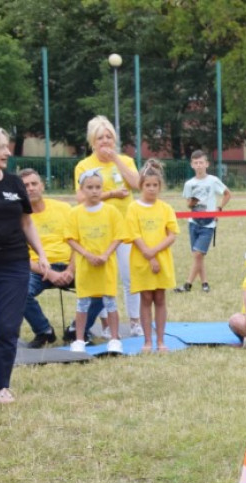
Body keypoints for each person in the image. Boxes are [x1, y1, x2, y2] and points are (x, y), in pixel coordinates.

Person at [0, 125, 49, 403]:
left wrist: (41, 254)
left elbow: (26, 223)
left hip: (12, 263)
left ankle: (1, 384)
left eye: (8, 146)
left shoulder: (14, 184)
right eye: (1, 147)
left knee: (7, 326)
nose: (8, 152)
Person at [74, 116, 142, 335]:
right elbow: (80, 198)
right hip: (96, 230)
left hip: (125, 227)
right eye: (100, 137)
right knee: (100, 277)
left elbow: (136, 184)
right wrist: (111, 193)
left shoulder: (125, 160)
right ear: (92, 142)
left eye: (109, 137)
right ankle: (104, 325)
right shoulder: (84, 165)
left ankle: (135, 322)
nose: (105, 141)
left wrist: (117, 161)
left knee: (129, 276)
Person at [19, 168, 98, 348]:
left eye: (34, 183)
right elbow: (20, 256)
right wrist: (50, 273)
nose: (30, 188)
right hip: (40, 270)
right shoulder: (18, 217)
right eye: (25, 186)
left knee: (101, 289)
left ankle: (77, 329)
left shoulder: (63, 208)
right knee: (18, 291)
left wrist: (71, 269)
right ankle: (44, 331)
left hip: (72, 264)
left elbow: (80, 241)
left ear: (42, 186)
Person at [66, 169, 125, 354]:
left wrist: (106, 254)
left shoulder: (111, 211)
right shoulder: (75, 213)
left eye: (98, 187)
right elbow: (70, 238)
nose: (94, 191)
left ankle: (115, 338)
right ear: (82, 189)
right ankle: (79, 339)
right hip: (85, 267)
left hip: (107, 266)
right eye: (89, 187)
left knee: (110, 302)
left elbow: (119, 236)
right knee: (83, 303)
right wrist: (87, 255)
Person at [126, 159, 178, 352]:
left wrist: (155, 252)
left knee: (160, 298)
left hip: (162, 261)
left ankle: (161, 340)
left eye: (155, 185)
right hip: (141, 260)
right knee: (146, 298)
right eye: (148, 185)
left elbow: (172, 234)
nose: (151, 189)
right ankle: (147, 341)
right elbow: (134, 234)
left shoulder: (165, 208)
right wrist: (148, 255)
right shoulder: (133, 208)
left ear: (160, 186)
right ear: (141, 185)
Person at [176, 149, 231, 294]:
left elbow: (227, 194)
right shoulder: (189, 184)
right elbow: (188, 203)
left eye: (201, 162)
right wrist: (194, 202)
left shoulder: (213, 180)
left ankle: (187, 285)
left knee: (198, 254)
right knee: (198, 256)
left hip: (209, 223)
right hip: (194, 222)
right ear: (192, 165)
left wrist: (219, 208)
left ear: (206, 164)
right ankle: (205, 283)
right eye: (196, 163)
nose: (199, 165)